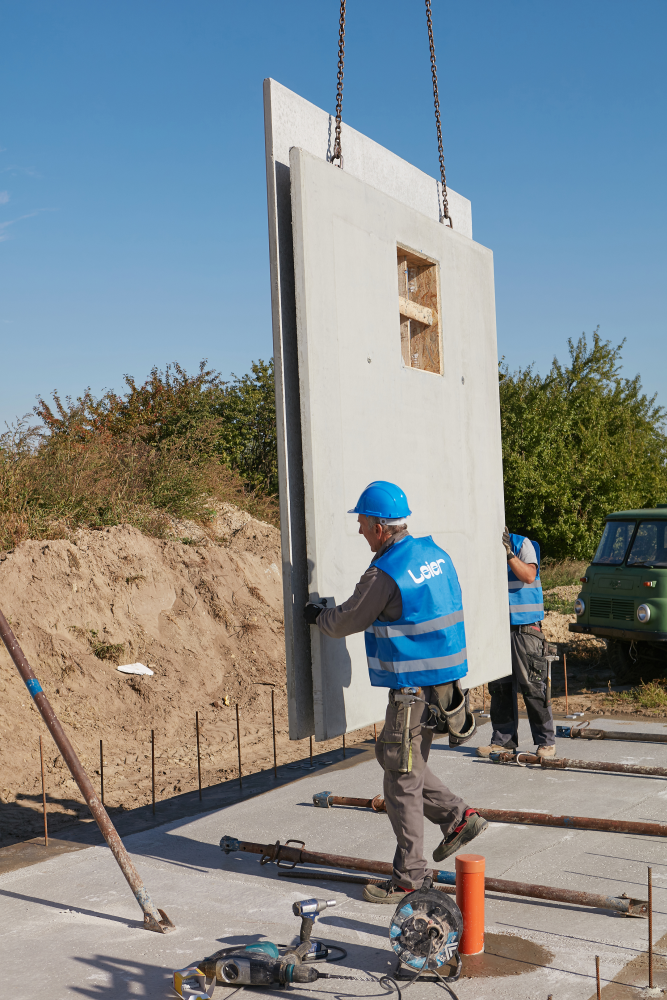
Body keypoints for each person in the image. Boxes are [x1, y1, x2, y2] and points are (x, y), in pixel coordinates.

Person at [303, 481, 487, 904]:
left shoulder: (385, 572)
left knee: (400, 780)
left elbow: (347, 619)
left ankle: (410, 877)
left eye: (364, 524)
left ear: (382, 527)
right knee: (409, 767)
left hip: (411, 692)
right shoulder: (433, 555)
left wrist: (318, 616)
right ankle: (460, 817)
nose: (361, 532)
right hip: (444, 684)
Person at [477, 527, 556, 758]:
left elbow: (529, 576)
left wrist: (509, 554)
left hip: (525, 630)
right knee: (499, 689)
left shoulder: (521, 544)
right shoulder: (482, 549)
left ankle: (546, 742)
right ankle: (503, 741)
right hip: (497, 630)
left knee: (533, 687)